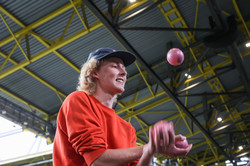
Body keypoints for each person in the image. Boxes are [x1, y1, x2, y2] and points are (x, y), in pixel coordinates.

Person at [53, 48, 192, 166]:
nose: (124, 72)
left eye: (124, 68)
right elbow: (97, 159)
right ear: (94, 72)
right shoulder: (78, 100)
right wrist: (148, 147)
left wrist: (151, 150)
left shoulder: (127, 128)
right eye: (115, 66)